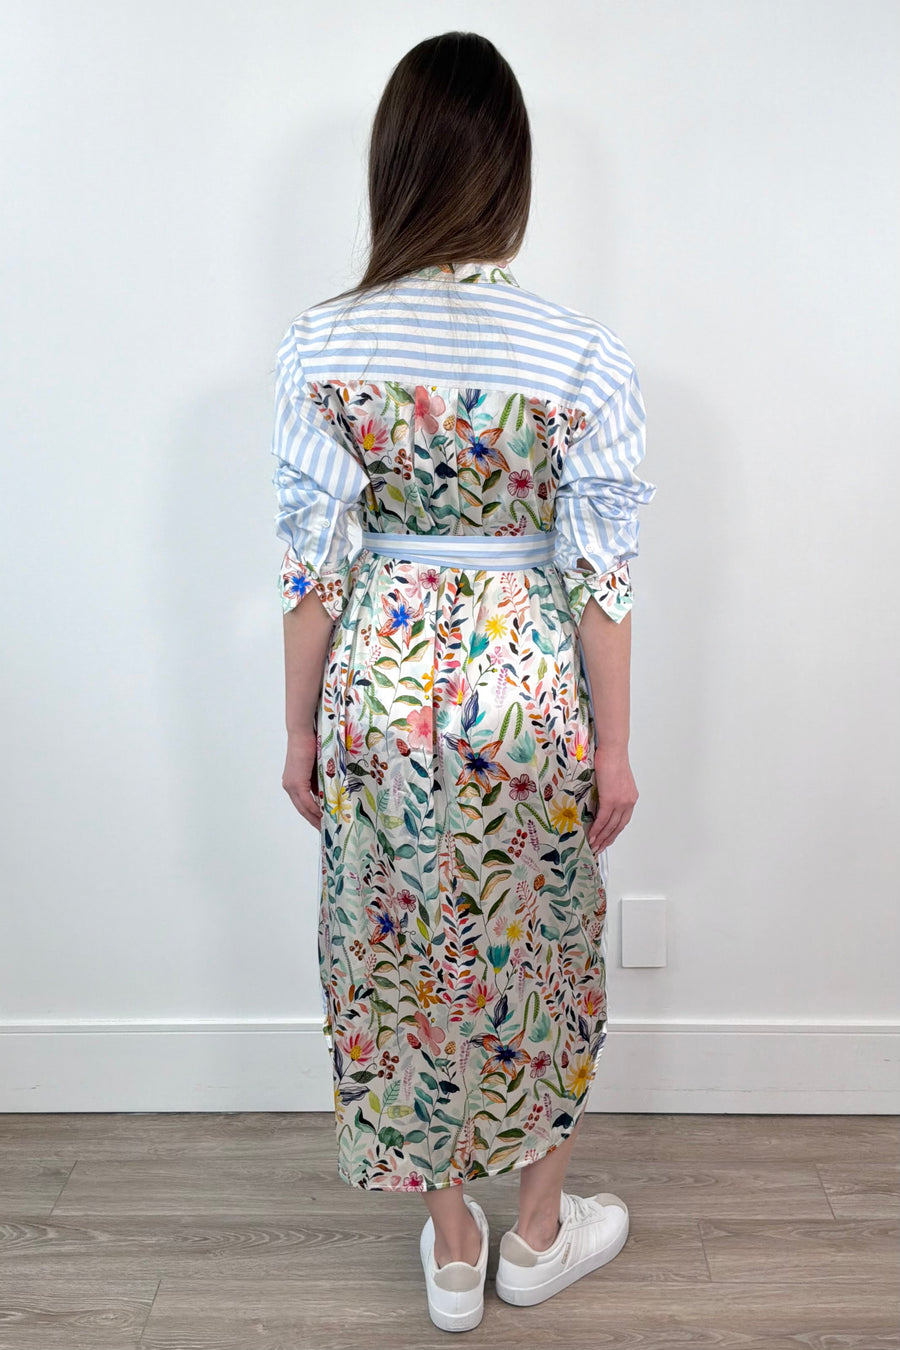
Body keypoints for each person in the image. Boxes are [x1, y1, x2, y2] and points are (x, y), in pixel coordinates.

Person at [271, 30, 657, 1333]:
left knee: (401, 947)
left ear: (394, 168)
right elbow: (602, 576)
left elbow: (310, 568)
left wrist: (296, 734)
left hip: (378, 684)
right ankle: (536, 1227)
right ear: (511, 175)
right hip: (525, 683)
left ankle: (449, 1243)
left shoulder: (321, 351)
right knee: (540, 944)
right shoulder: (577, 358)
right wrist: (613, 749)